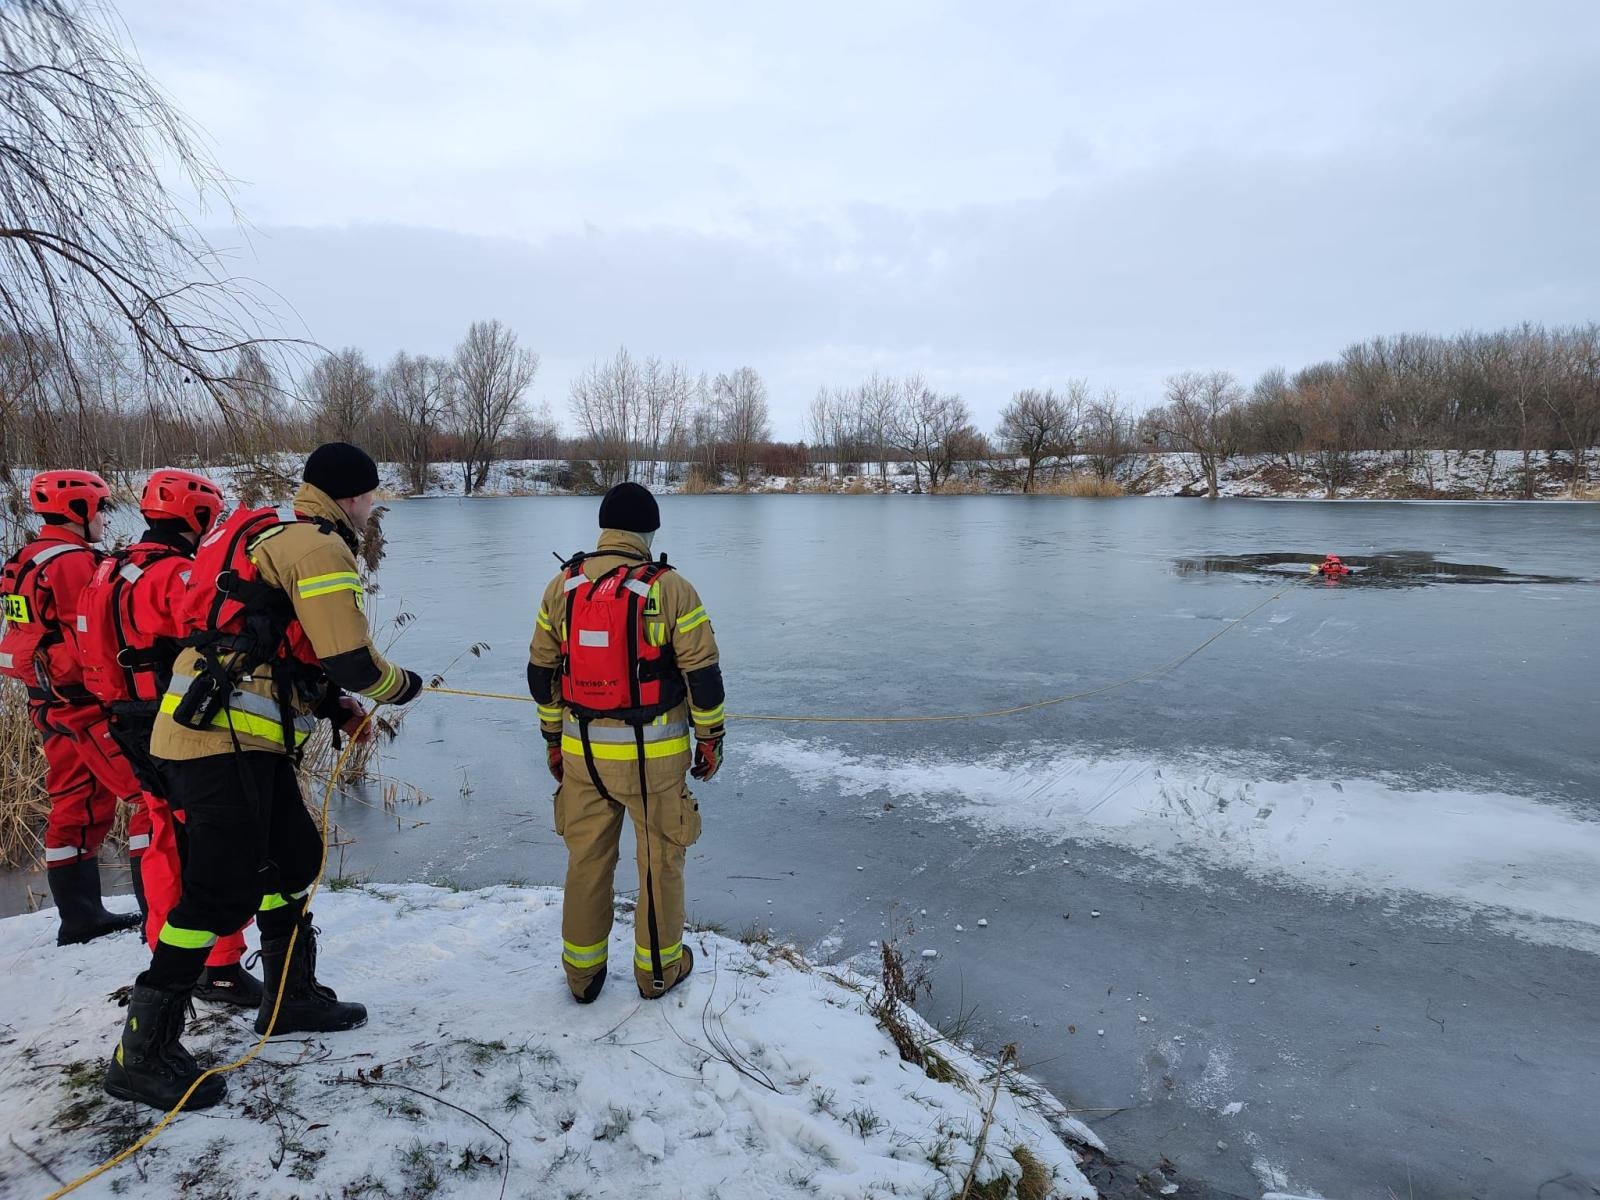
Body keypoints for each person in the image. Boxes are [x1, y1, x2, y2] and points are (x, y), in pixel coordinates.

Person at [104, 443, 424, 1111]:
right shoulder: (319, 547)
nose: (372, 509)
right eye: (370, 496)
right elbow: (354, 661)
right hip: (215, 741)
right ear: (350, 495)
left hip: (243, 739)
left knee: (294, 858)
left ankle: (288, 999)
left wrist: (336, 705)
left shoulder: (285, 537)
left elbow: (280, 648)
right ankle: (144, 1050)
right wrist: (402, 688)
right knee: (219, 889)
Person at [528, 481, 725, 1004]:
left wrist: (553, 738)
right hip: (652, 761)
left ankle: (582, 976)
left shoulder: (562, 585)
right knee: (660, 861)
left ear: (603, 528)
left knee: (586, 860)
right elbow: (703, 676)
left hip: (582, 754)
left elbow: (539, 672)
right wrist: (711, 739)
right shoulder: (671, 588)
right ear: (649, 530)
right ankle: (657, 973)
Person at [75, 468, 261, 1007]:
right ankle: (217, 965)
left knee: (164, 835)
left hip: (122, 717)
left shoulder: (109, 568)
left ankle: (168, 948)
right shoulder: (173, 574)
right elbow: (215, 627)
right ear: (198, 516)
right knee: (208, 845)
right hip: (174, 722)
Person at [0, 470, 146, 945]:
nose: (105, 516)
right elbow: (93, 638)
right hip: (84, 704)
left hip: (46, 702)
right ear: (79, 511)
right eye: (101, 507)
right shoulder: (74, 565)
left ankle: (81, 918)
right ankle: (162, 913)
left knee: (75, 803)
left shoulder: (25, 558)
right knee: (148, 795)